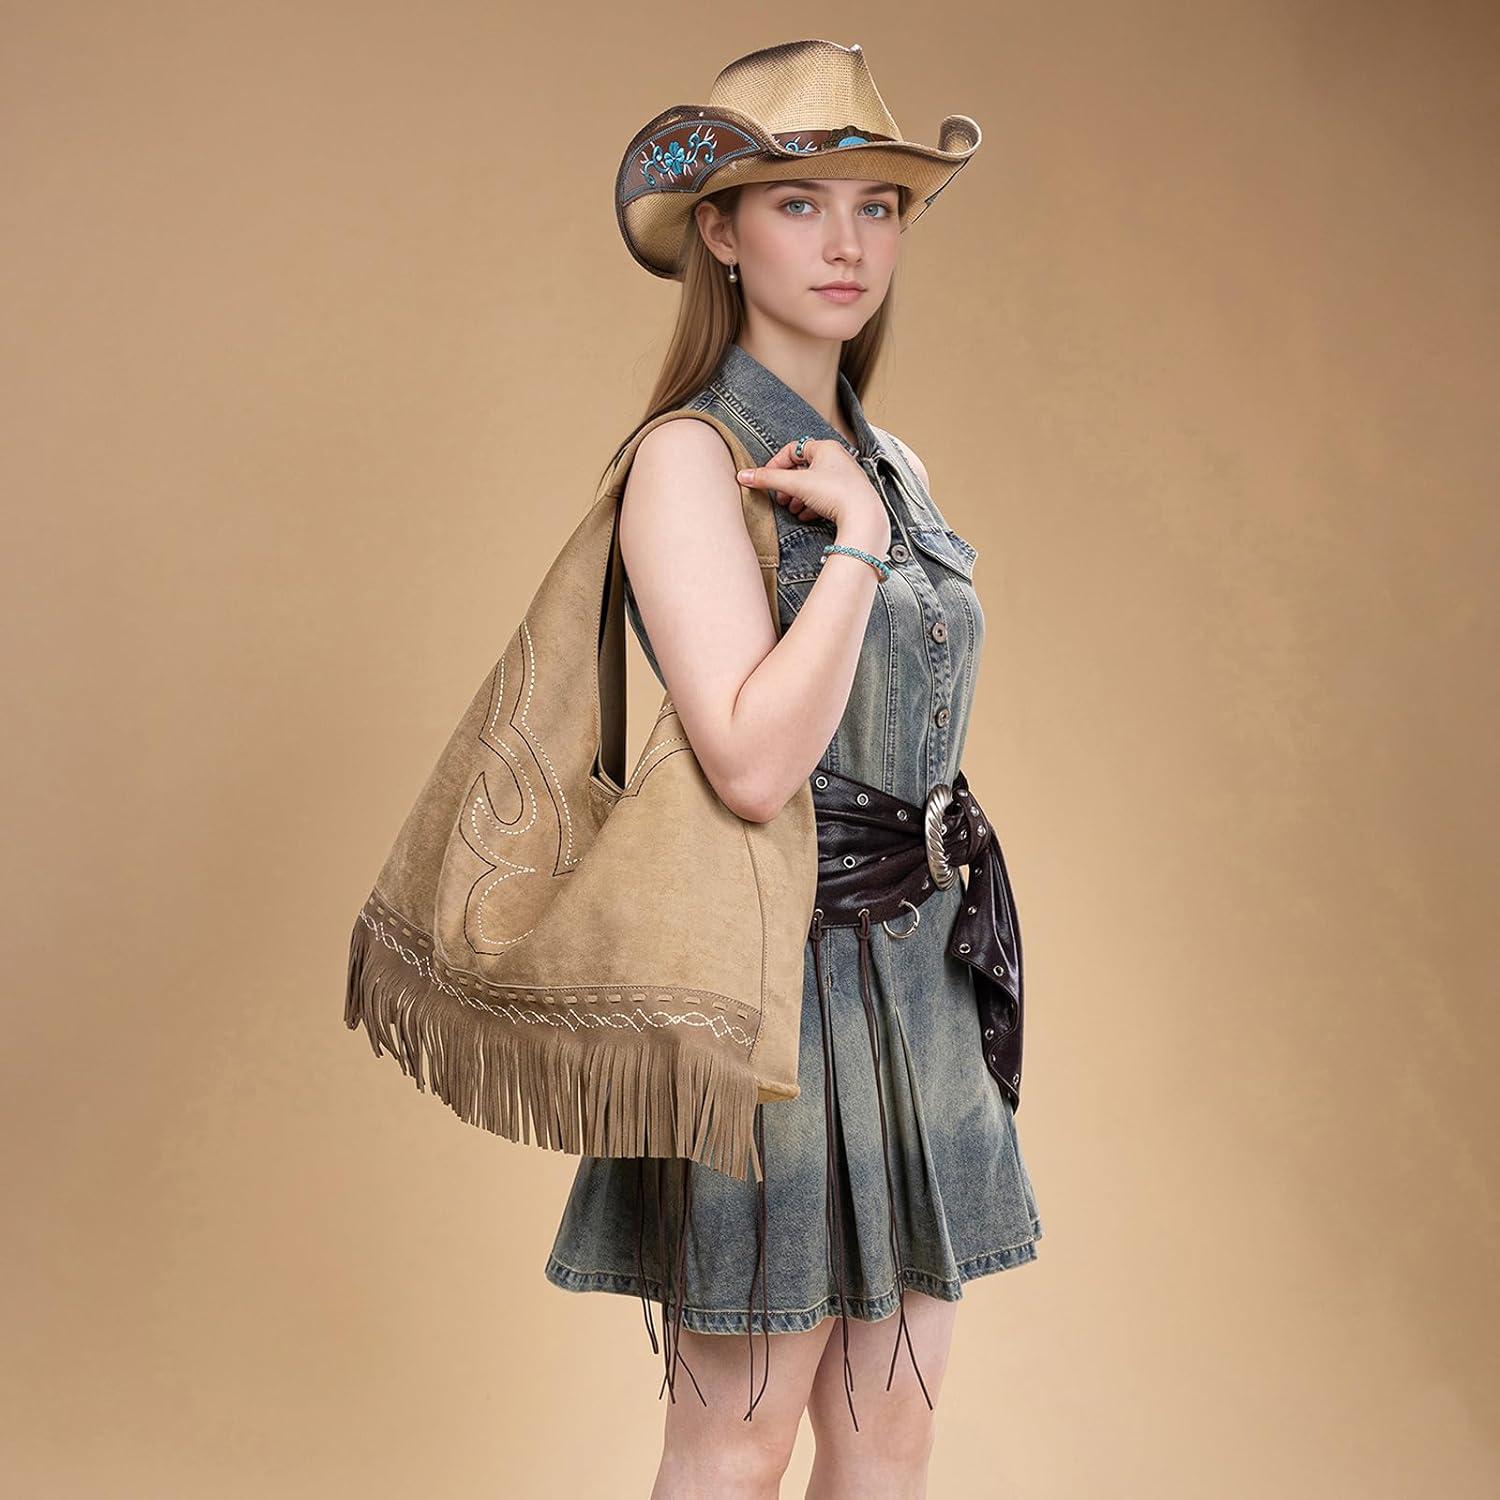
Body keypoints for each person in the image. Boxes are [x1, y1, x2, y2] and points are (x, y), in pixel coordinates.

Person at [543, 40, 1042, 1498]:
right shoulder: (687, 461)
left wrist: (874, 511)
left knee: (893, 1444)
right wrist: (860, 549)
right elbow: (754, 765)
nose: (847, 244)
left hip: (925, 982)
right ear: (719, 229)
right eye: (800, 204)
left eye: (878, 206)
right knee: (737, 1443)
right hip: (770, 993)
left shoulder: (895, 460)